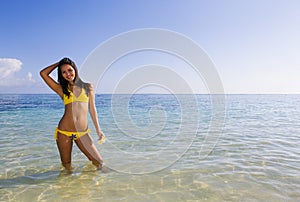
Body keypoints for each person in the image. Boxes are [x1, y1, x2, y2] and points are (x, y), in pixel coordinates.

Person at [40, 57, 104, 171]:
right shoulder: (61, 89)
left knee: (99, 163)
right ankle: (66, 188)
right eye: (63, 72)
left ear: (75, 69)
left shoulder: (88, 87)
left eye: (70, 70)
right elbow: (43, 73)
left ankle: (87, 185)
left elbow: (92, 109)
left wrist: (98, 130)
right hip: (64, 132)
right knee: (67, 168)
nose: (68, 74)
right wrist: (59, 64)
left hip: (82, 133)